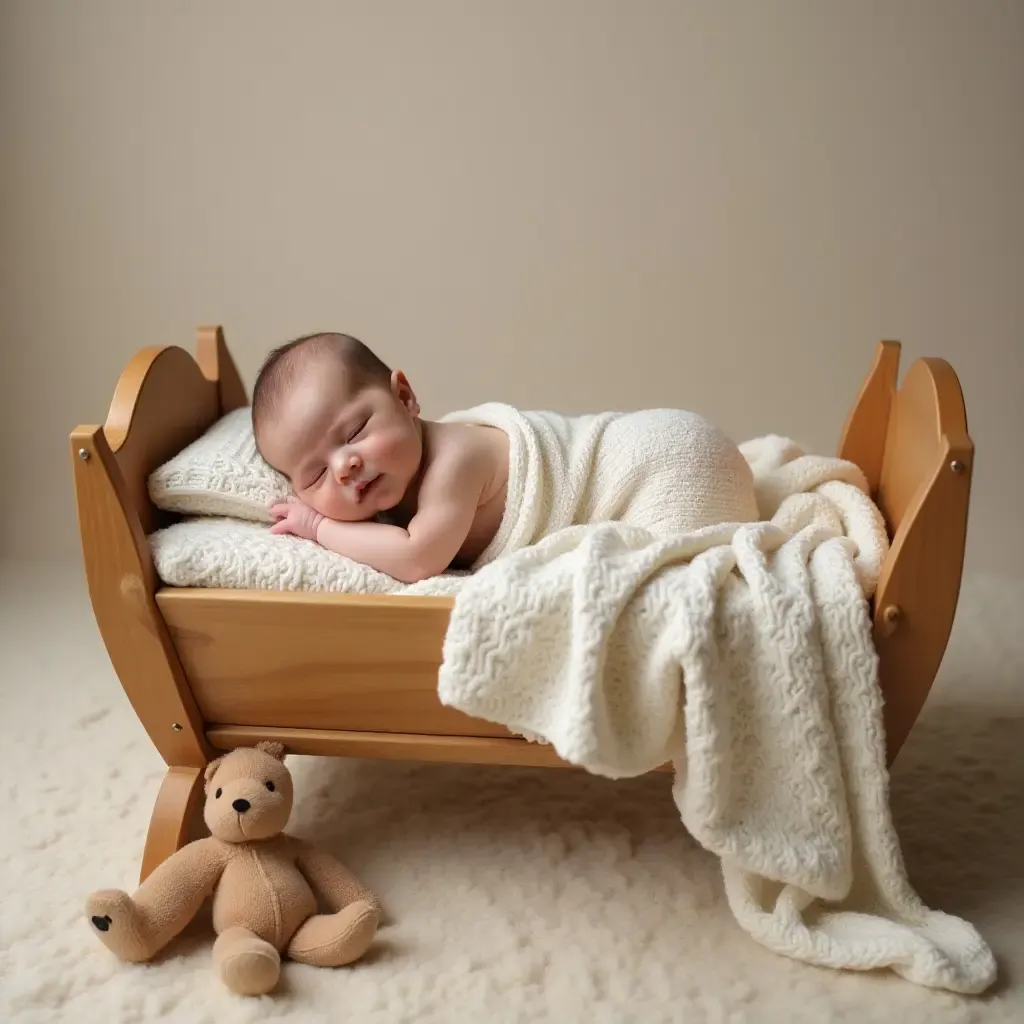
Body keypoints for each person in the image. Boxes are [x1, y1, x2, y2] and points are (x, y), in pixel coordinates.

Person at [251, 332, 510, 584]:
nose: (343, 468)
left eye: (354, 432)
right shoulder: (389, 480)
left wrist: (319, 527)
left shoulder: (456, 460)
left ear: (404, 397)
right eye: (317, 474)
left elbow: (417, 558)